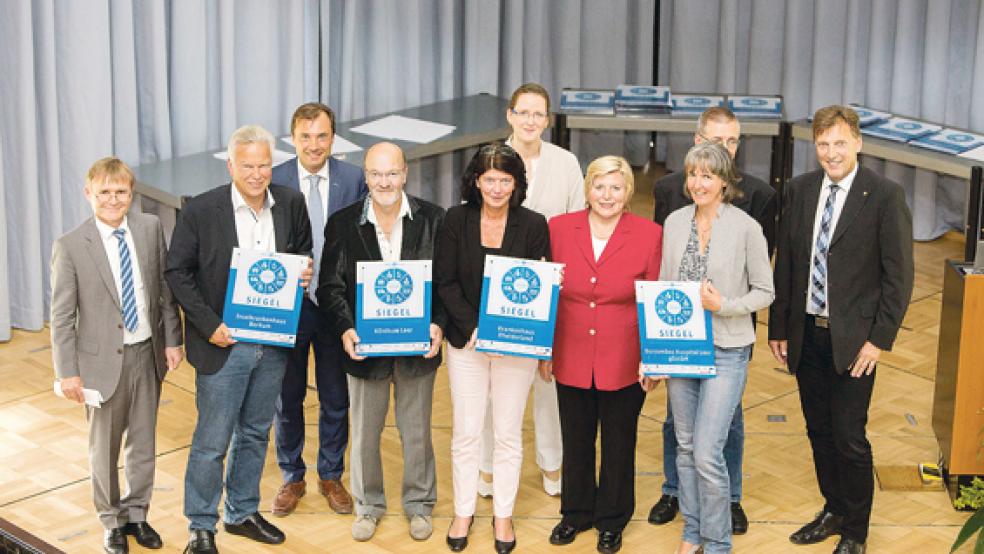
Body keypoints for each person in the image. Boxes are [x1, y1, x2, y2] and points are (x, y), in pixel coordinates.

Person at [769, 105, 913, 554]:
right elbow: (788, 263)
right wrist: (778, 325)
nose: (831, 153)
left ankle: (856, 530)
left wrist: (878, 340)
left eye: (839, 143)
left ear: (858, 143)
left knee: (849, 435)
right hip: (806, 332)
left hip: (855, 342)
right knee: (818, 430)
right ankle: (832, 509)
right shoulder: (800, 189)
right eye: (823, 144)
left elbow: (899, 276)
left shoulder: (885, 196)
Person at [165, 125, 313, 554]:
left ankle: (242, 511)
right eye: (247, 165)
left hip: (272, 341)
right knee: (212, 440)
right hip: (222, 342)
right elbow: (178, 273)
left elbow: (303, 250)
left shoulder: (290, 202)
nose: (256, 173)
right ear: (230, 165)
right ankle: (200, 524)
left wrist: (304, 269)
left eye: (264, 164)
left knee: (254, 432)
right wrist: (209, 324)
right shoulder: (201, 210)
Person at [649, 106, 778, 533]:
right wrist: (653, 353)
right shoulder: (672, 210)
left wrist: (724, 305)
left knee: (717, 436)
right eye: (695, 172)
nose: (699, 181)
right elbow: (663, 280)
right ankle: (686, 511)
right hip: (678, 343)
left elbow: (762, 284)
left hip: (727, 342)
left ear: (726, 177)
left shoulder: (753, 210)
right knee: (685, 438)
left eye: (731, 142)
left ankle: (724, 514)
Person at [50, 157, 184, 554]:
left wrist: (171, 340)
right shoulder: (71, 246)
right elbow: (61, 316)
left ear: (132, 194)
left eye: (121, 192)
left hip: (146, 355)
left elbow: (163, 291)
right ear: (88, 194)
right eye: (104, 192)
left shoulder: (149, 228)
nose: (113, 199)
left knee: (142, 442)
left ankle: (137, 513)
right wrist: (67, 372)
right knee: (104, 448)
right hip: (99, 364)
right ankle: (110, 520)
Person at [316, 142, 446, 542]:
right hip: (366, 348)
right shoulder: (342, 223)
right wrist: (345, 328)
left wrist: (438, 324)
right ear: (366, 177)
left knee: (417, 431)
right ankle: (368, 505)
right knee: (364, 435)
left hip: (416, 350)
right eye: (376, 174)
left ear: (405, 174)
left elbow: (445, 282)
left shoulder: (434, 220)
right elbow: (330, 286)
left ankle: (419, 504)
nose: (384, 182)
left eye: (392, 173)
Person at [435, 143, 550, 554]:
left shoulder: (535, 224)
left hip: (516, 348)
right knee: (466, 433)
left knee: (507, 434)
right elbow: (444, 281)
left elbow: (541, 285)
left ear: (517, 183)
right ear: (475, 181)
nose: (498, 188)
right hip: (467, 343)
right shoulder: (455, 219)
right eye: (490, 180)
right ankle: (463, 511)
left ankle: (503, 514)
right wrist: (476, 328)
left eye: (506, 180)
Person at [545, 155, 662, 554]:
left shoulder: (649, 234)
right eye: (599, 186)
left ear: (628, 191)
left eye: (616, 187)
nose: (607, 195)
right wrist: (545, 350)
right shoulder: (558, 229)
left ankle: (612, 519)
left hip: (624, 357)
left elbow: (653, 301)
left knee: (618, 442)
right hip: (570, 350)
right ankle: (575, 513)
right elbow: (545, 294)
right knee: (575, 438)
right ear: (587, 189)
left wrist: (653, 359)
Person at [473, 83, 584, 499]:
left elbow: (576, 226)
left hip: (550, 289)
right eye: (524, 113)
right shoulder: (489, 158)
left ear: (548, 119)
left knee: (548, 381)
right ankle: (486, 468)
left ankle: (552, 463)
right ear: (510, 115)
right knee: (493, 383)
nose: (531, 121)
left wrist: (561, 286)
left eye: (539, 114)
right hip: (496, 290)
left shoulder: (566, 162)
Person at [270, 102, 367, 517]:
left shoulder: (354, 179)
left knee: (335, 396)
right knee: (286, 397)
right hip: (288, 307)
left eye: (322, 136)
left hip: (336, 305)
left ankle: (331, 473)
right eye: (305, 136)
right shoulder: (273, 180)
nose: (314, 145)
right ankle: (292, 476)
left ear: (333, 138)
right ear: (292, 139)